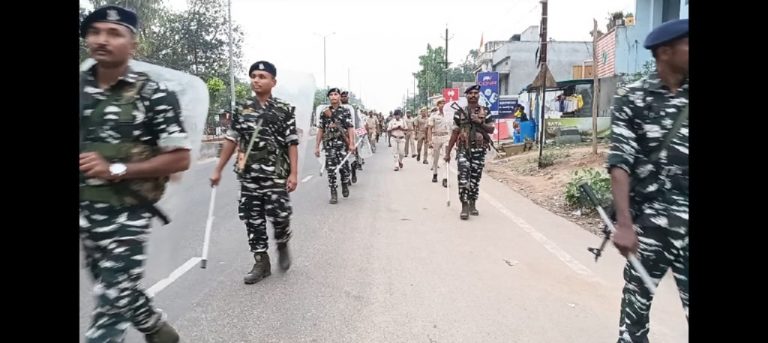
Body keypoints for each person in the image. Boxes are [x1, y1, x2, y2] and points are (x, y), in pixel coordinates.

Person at [79, 5, 190, 342]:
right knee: (117, 288)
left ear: (133, 44)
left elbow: (180, 159)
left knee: (110, 306)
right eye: (95, 32)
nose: (102, 40)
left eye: (114, 33)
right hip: (86, 212)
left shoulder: (154, 95)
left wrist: (117, 167)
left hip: (128, 213)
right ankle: (156, 328)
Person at [607, 19, 688, 343]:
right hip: (651, 226)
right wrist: (624, 223)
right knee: (635, 319)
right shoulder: (633, 98)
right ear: (665, 52)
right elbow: (620, 162)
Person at [209, 60, 299, 284]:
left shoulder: (284, 110)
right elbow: (232, 139)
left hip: (276, 174)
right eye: (254, 76)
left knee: (280, 217)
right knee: (252, 218)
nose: (256, 80)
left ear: (273, 81)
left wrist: (294, 174)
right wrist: (218, 169)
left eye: (262, 76)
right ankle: (261, 261)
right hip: (249, 175)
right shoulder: (242, 108)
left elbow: (292, 143)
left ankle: (282, 243)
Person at [444, 85, 495, 220]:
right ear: (466, 96)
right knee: (463, 177)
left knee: (475, 179)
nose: (473, 95)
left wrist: (479, 122)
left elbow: (491, 130)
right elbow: (455, 133)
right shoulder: (459, 113)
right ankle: (464, 206)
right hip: (463, 149)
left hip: (479, 150)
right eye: (470, 93)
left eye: (475, 93)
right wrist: (448, 152)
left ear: (479, 95)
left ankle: (473, 203)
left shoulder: (486, 111)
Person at [315, 88, 355, 203]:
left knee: (344, 168)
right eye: (331, 94)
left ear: (339, 97)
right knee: (331, 169)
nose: (333, 96)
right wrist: (317, 146)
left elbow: (350, 128)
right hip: (329, 144)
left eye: (336, 94)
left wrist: (351, 143)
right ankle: (333, 192)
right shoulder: (324, 112)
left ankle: (344, 182)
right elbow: (320, 130)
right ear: (329, 97)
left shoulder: (345, 111)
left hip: (342, 144)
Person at [428, 100, 451, 184]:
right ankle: (435, 173)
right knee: (435, 158)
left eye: (444, 103)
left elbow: (452, 128)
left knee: (446, 157)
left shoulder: (449, 115)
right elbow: (430, 129)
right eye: (441, 103)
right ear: (438, 105)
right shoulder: (433, 116)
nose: (443, 105)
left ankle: (445, 178)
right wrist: (430, 140)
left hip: (446, 137)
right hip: (436, 137)